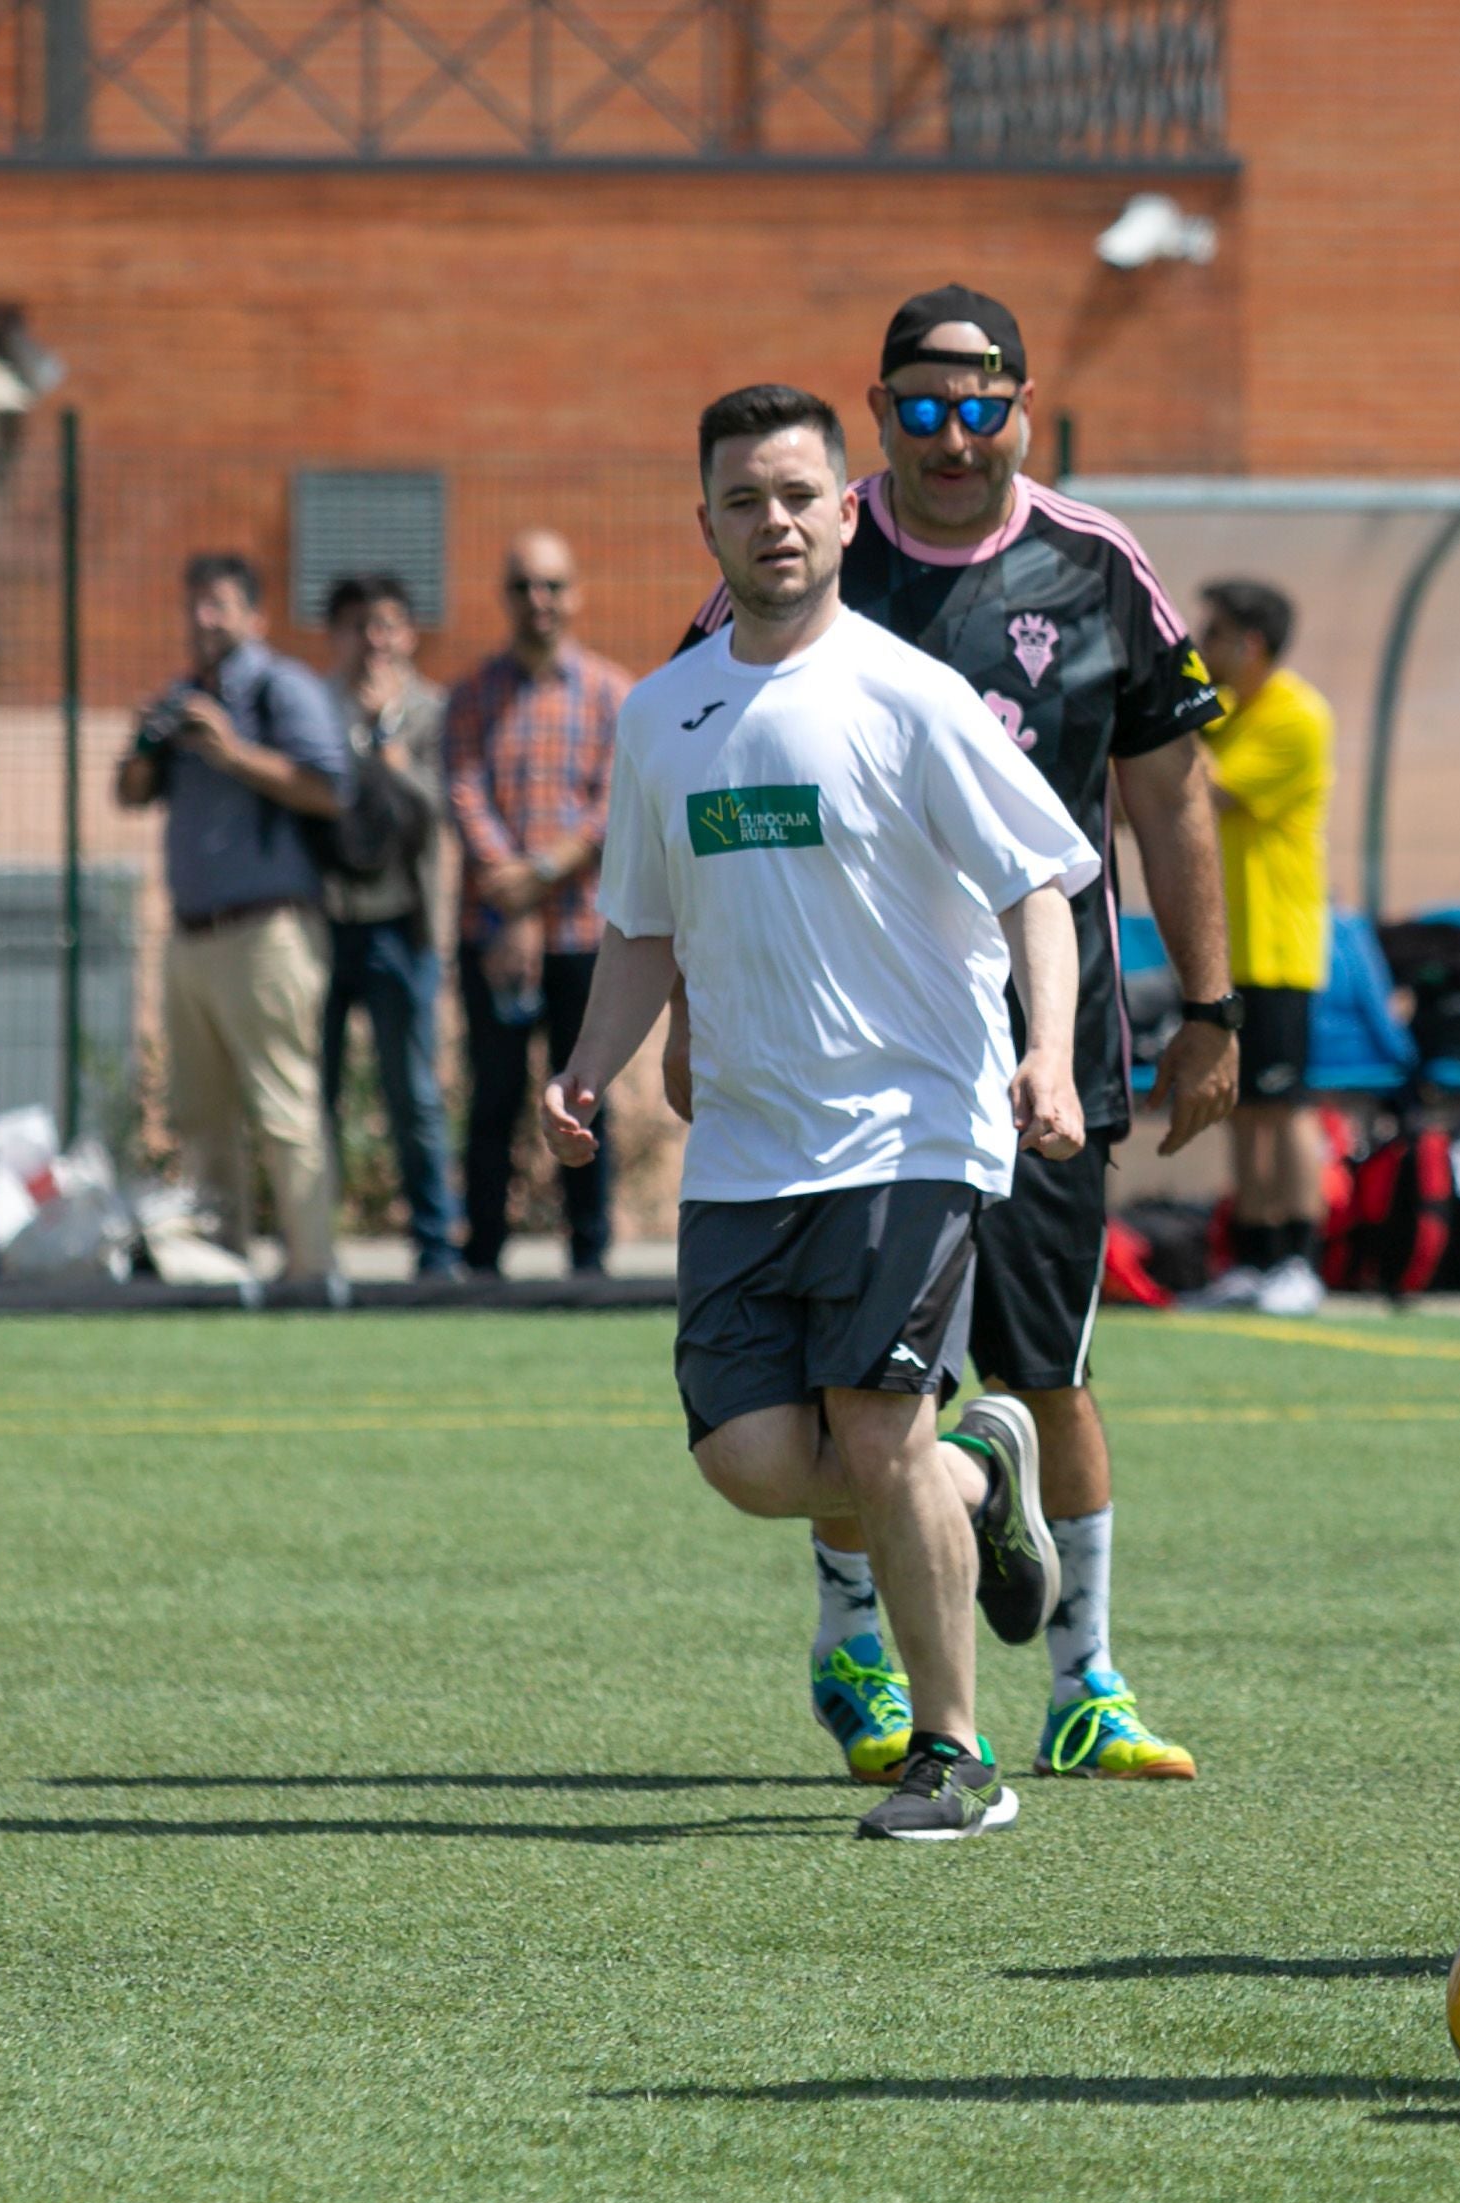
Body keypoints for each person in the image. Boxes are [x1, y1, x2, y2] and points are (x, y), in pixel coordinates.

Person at [668, 285, 1235, 1789]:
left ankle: (1087, 1682)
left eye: (980, 405)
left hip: (1043, 1051)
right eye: (918, 407)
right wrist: (675, 1013)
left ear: (1027, 412)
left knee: (1045, 1368)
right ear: (877, 418)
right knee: (842, 1390)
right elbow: (694, 782)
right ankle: (856, 1644)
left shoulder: (1093, 567)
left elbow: (1171, 797)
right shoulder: (799, 547)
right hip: (835, 1067)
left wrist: (1216, 1006)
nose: (951, 435)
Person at [544, 383, 1095, 1842]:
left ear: (846, 513)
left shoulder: (908, 694)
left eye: (799, 495)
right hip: (744, 1145)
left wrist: (1047, 1055)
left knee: (875, 1426)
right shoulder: (664, 714)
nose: (774, 521)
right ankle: (982, 1467)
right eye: (744, 499)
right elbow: (641, 926)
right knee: (747, 1460)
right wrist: (590, 1065)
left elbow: (1039, 876)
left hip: (910, 1128)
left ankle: (956, 1755)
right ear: (706, 520)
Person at [116, 552, 350, 1286]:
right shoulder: (180, 696)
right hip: (191, 935)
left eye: (218, 605)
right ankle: (224, 1268)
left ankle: (313, 1273)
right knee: (200, 1113)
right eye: (194, 604)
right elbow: (128, 792)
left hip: (268, 931)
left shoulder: (283, 688)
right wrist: (148, 746)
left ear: (256, 616)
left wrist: (232, 750)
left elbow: (327, 787)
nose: (202, 619)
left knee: (284, 1108)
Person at [447, 531, 631, 1278]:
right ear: (506, 596)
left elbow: (616, 804)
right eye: (524, 586)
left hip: (585, 932)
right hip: (490, 931)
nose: (539, 601)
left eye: (553, 586)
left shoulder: (614, 694)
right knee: (492, 1097)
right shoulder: (471, 696)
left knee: (585, 1097)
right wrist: (511, 891)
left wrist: (544, 870)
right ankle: (482, 1256)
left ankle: (588, 1258)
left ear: (576, 594)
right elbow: (463, 792)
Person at [1186, 576, 1337, 1315]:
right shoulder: (1230, 710)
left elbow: (1199, 784)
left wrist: (1175, 708)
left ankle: (1300, 1261)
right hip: (1228, 951)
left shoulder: (1295, 716)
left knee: (1285, 1108)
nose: (1198, 647)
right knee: (1241, 1109)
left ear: (1249, 644)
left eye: (1210, 636)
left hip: (1278, 946)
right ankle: (1252, 1257)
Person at [318, 573, 462, 1280]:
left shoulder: (434, 711)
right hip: (324, 923)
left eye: (388, 625)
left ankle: (435, 1249)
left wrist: (387, 749)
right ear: (337, 635)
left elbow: (443, 807)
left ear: (409, 633)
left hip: (403, 925)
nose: (375, 641)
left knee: (413, 1092)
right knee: (317, 1093)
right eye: (359, 626)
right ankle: (313, 1246)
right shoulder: (314, 707)